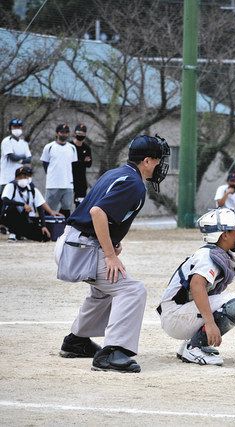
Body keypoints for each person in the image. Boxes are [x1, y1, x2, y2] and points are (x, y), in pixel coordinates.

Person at [54, 134, 170, 373]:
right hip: (81, 249)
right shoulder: (134, 183)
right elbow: (97, 213)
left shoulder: (116, 173)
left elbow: (97, 213)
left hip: (74, 243)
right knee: (132, 289)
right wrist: (110, 254)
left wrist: (110, 243)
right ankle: (114, 352)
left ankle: (77, 341)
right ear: (146, 161)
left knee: (104, 290)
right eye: (157, 160)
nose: (160, 166)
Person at [158, 208, 235, 366]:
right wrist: (210, 323)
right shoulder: (208, 257)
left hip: (177, 314)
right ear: (225, 234)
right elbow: (197, 285)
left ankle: (189, 345)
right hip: (176, 317)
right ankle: (195, 348)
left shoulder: (217, 250)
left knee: (230, 301)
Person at [1, 166, 62, 242]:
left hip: (26, 218)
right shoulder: (11, 186)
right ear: (16, 178)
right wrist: (23, 204)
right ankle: (13, 233)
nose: (24, 178)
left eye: (26, 176)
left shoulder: (32, 189)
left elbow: (40, 206)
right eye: (21, 176)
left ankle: (20, 233)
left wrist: (44, 226)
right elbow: (5, 200)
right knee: (12, 208)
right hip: (12, 216)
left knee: (44, 237)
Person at [41, 124, 77, 218]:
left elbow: (73, 165)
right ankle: (47, 230)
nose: (64, 135)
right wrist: (51, 175)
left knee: (66, 208)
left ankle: (62, 229)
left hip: (68, 184)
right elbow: (45, 163)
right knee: (49, 209)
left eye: (66, 133)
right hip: (53, 184)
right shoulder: (49, 147)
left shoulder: (72, 148)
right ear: (57, 133)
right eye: (62, 132)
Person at [1, 118, 32, 196]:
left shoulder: (24, 143)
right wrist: (22, 156)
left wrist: (20, 160)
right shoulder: (7, 141)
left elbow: (29, 159)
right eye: (14, 127)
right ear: (10, 128)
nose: (17, 129)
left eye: (19, 127)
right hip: (6, 178)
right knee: (4, 203)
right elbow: (12, 157)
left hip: (19, 179)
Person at [71, 124, 92, 207]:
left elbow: (89, 164)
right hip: (70, 177)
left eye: (82, 134)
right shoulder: (70, 146)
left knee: (80, 203)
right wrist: (82, 161)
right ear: (74, 133)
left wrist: (81, 162)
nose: (80, 136)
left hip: (81, 179)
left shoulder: (87, 148)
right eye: (78, 133)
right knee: (66, 203)